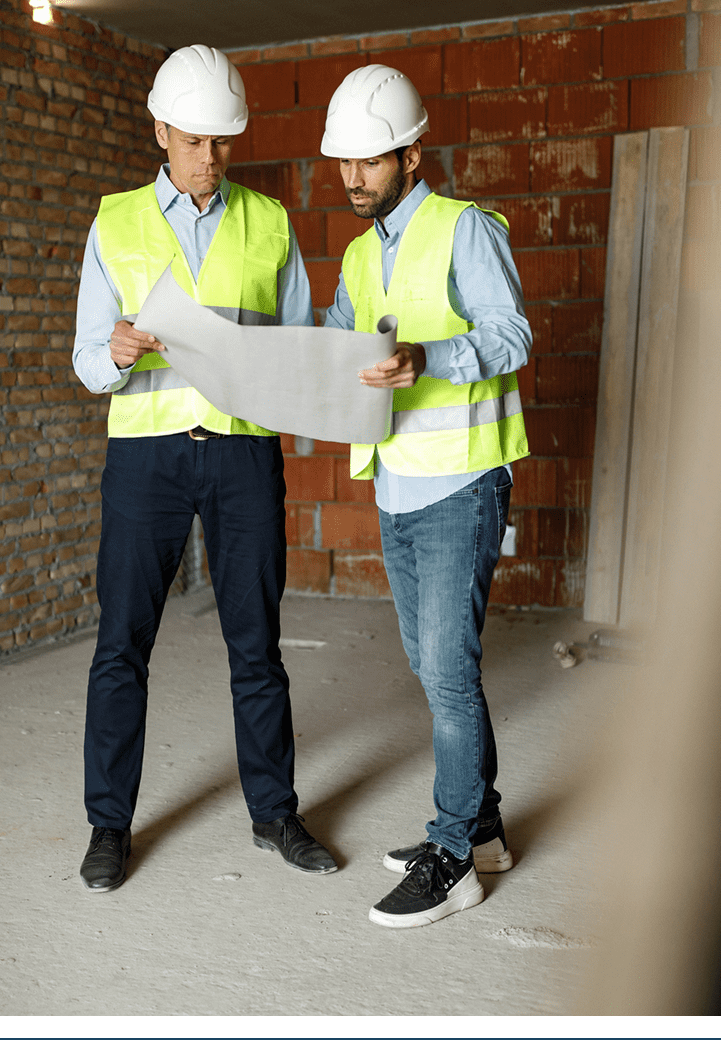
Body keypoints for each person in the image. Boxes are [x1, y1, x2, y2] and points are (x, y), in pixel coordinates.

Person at [72, 44, 337, 892]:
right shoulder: (114, 221)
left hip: (242, 455)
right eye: (194, 141)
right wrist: (113, 350)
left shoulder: (268, 221)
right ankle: (109, 825)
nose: (210, 159)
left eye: (223, 142)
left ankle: (276, 813)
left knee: (256, 645)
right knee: (122, 645)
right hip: (147, 457)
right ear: (160, 130)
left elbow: (297, 345)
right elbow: (85, 359)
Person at [320, 65, 532, 928]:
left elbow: (510, 333)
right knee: (432, 666)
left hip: (462, 482)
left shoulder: (465, 229)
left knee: (447, 673)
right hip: (397, 484)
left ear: (412, 154)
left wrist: (425, 359)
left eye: (370, 161)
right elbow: (339, 341)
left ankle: (453, 858)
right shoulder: (359, 254)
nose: (354, 177)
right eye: (345, 162)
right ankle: (482, 831)